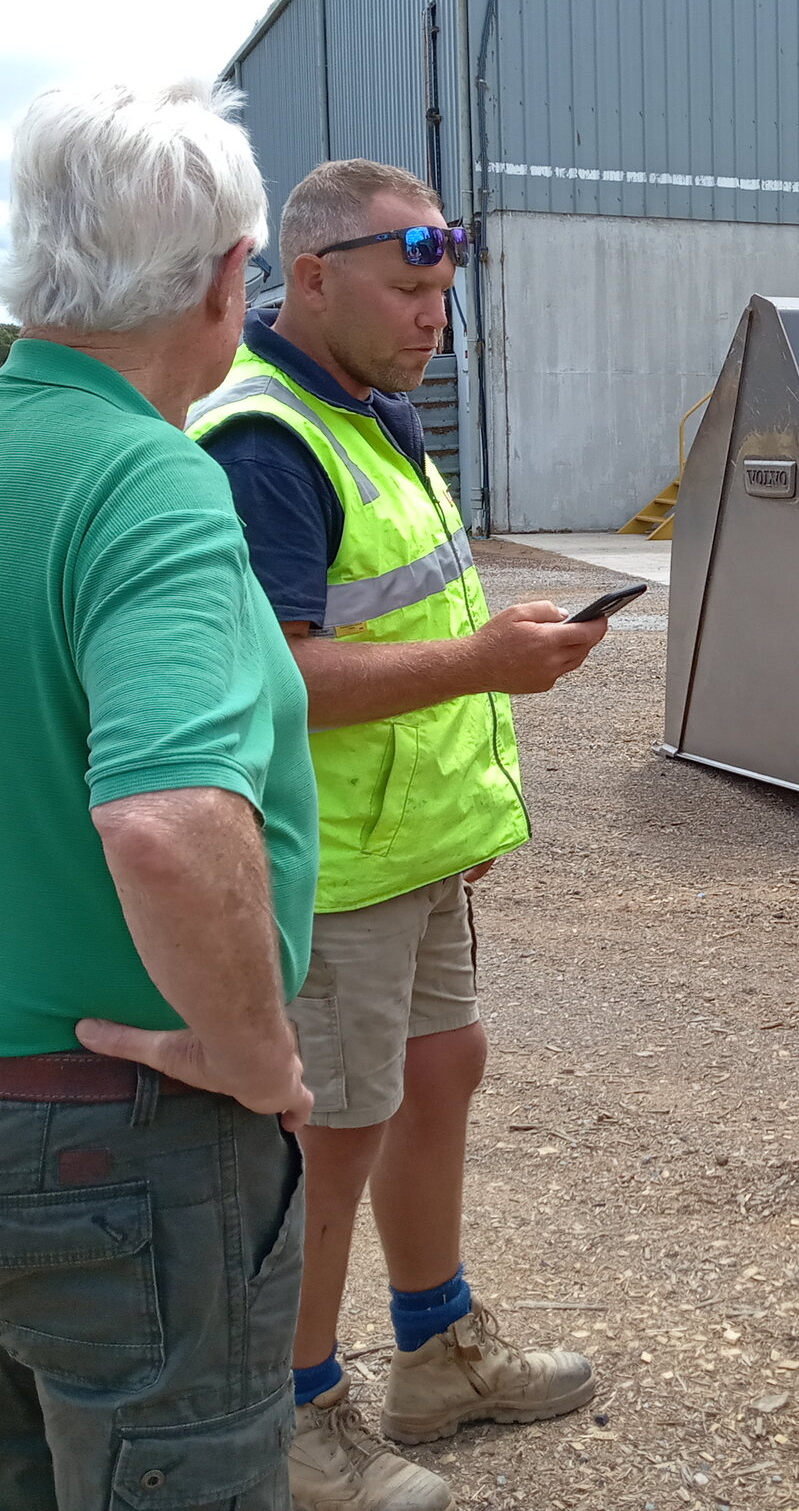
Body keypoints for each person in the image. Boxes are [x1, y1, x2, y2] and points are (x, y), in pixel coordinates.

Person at [0, 79, 318, 1509]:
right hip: (107, 1143)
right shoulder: (146, 479)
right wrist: (256, 1057)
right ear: (230, 276)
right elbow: (164, 819)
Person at [189, 158, 606, 1511]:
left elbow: (408, 620)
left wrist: (485, 697)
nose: (437, 315)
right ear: (309, 276)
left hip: (412, 846)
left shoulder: (374, 407)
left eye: (443, 290)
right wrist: (489, 664)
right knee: (336, 1129)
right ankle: (295, 1411)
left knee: (443, 1073)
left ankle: (436, 1347)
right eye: (409, 286)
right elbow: (281, 675)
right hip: (334, 865)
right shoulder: (265, 438)